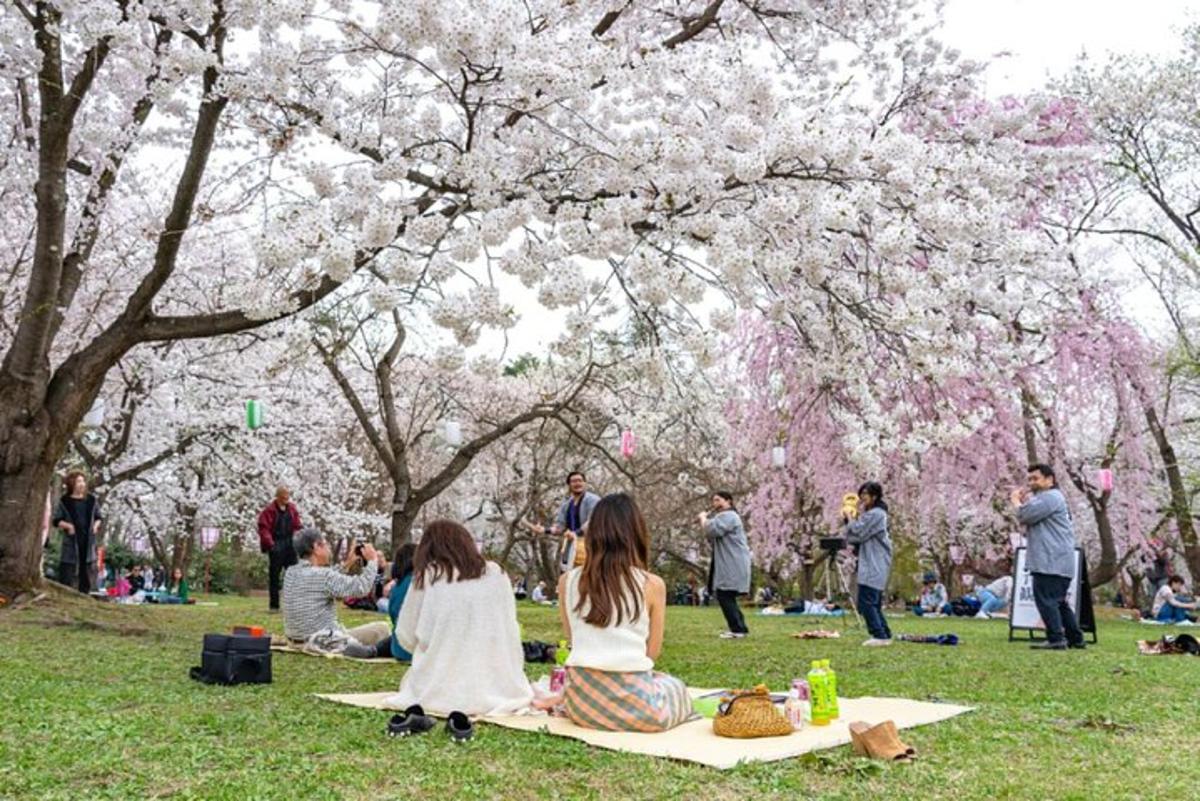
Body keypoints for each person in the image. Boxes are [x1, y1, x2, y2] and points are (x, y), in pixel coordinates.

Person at [552, 493, 691, 732]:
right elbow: (652, 652)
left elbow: (573, 639)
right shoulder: (652, 584)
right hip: (643, 710)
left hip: (582, 704)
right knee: (676, 686)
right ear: (636, 533)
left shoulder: (567, 581)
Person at [389, 520, 533, 716]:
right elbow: (509, 627)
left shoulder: (429, 574)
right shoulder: (497, 573)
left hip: (439, 684)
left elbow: (406, 634)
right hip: (497, 680)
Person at [281, 527, 391, 658]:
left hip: (296, 641)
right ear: (316, 547)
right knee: (382, 628)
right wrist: (373, 560)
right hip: (325, 641)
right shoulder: (324, 576)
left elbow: (323, 583)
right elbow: (362, 587)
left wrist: (347, 564)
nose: (328, 549)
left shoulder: (290, 572)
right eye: (325, 544)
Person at [1012, 463, 1085, 651]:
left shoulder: (1049, 497)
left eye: (1035, 478)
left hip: (1050, 560)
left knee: (1046, 599)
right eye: (1029, 479)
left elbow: (1025, 515)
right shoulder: (1051, 498)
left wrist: (1016, 502)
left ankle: (1056, 639)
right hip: (1059, 559)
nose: (1031, 482)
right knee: (1059, 601)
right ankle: (1075, 638)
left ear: (1050, 480)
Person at [843, 481, 894, 647]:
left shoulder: (876, 514)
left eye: (866, 494)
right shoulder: (874, 514)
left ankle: (878, 635)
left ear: (875, 496)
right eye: (861, 494)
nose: (863, 497)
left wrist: (850, 518)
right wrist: (851, 522)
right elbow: (856, 536)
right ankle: (884, 633)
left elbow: (857, 531)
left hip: (874, 561)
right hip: (873, 560)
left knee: (866, 601)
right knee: (874, 601)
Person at [700, 491, 752, 639]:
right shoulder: (725, 517)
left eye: (718, 500)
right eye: (713, 501)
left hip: (732, 563)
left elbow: (711, 531)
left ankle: (737, 630)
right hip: (730, 562)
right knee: (726, 595)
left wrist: (703, 518)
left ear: (729, 501)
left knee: (724, 594)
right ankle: (740, 628)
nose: (715, 504)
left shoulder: (729, 516)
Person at [51, 471, 104, 594]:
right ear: (71, 484)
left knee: (86, 569)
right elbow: (56, 520)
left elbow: (98, 517)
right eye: (78, 481)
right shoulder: (65, 501)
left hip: (88, 540)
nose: (82, 484)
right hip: (72, 540)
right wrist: (68, 526)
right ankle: (66, 594)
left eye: (83, 481)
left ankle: (85, 594)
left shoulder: (92, 500)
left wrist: (95, 527)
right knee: (68, 570)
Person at [257, 486, 302, 611]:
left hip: (290, 543)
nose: (286, 499)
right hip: (276, 543)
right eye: (283, 497)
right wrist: (271, 544)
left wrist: (298, 538)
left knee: (293, 574)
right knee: (274, 576)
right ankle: (274, 605)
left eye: (287, 496)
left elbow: (297, 525)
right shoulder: (269, 510)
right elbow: (263, 528)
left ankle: (293, 605)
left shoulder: (292, 508)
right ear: (277, 497)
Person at [551, 472, 601, 569]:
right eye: (574, 481)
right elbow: (560, 527)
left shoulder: (593, 500)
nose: (577, 483)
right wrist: (545, 530)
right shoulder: (566, 504)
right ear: (569, 485)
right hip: (573, 547)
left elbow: (593, 521)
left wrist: (576, 533)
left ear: (585, 483)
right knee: (568, 576)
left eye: (580, 481)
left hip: (591, 545)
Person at [383, 544, 417, 661]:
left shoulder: (397, 586)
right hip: (413, 650)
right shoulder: (418, 583)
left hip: (397, 648)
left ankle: (374, 649)